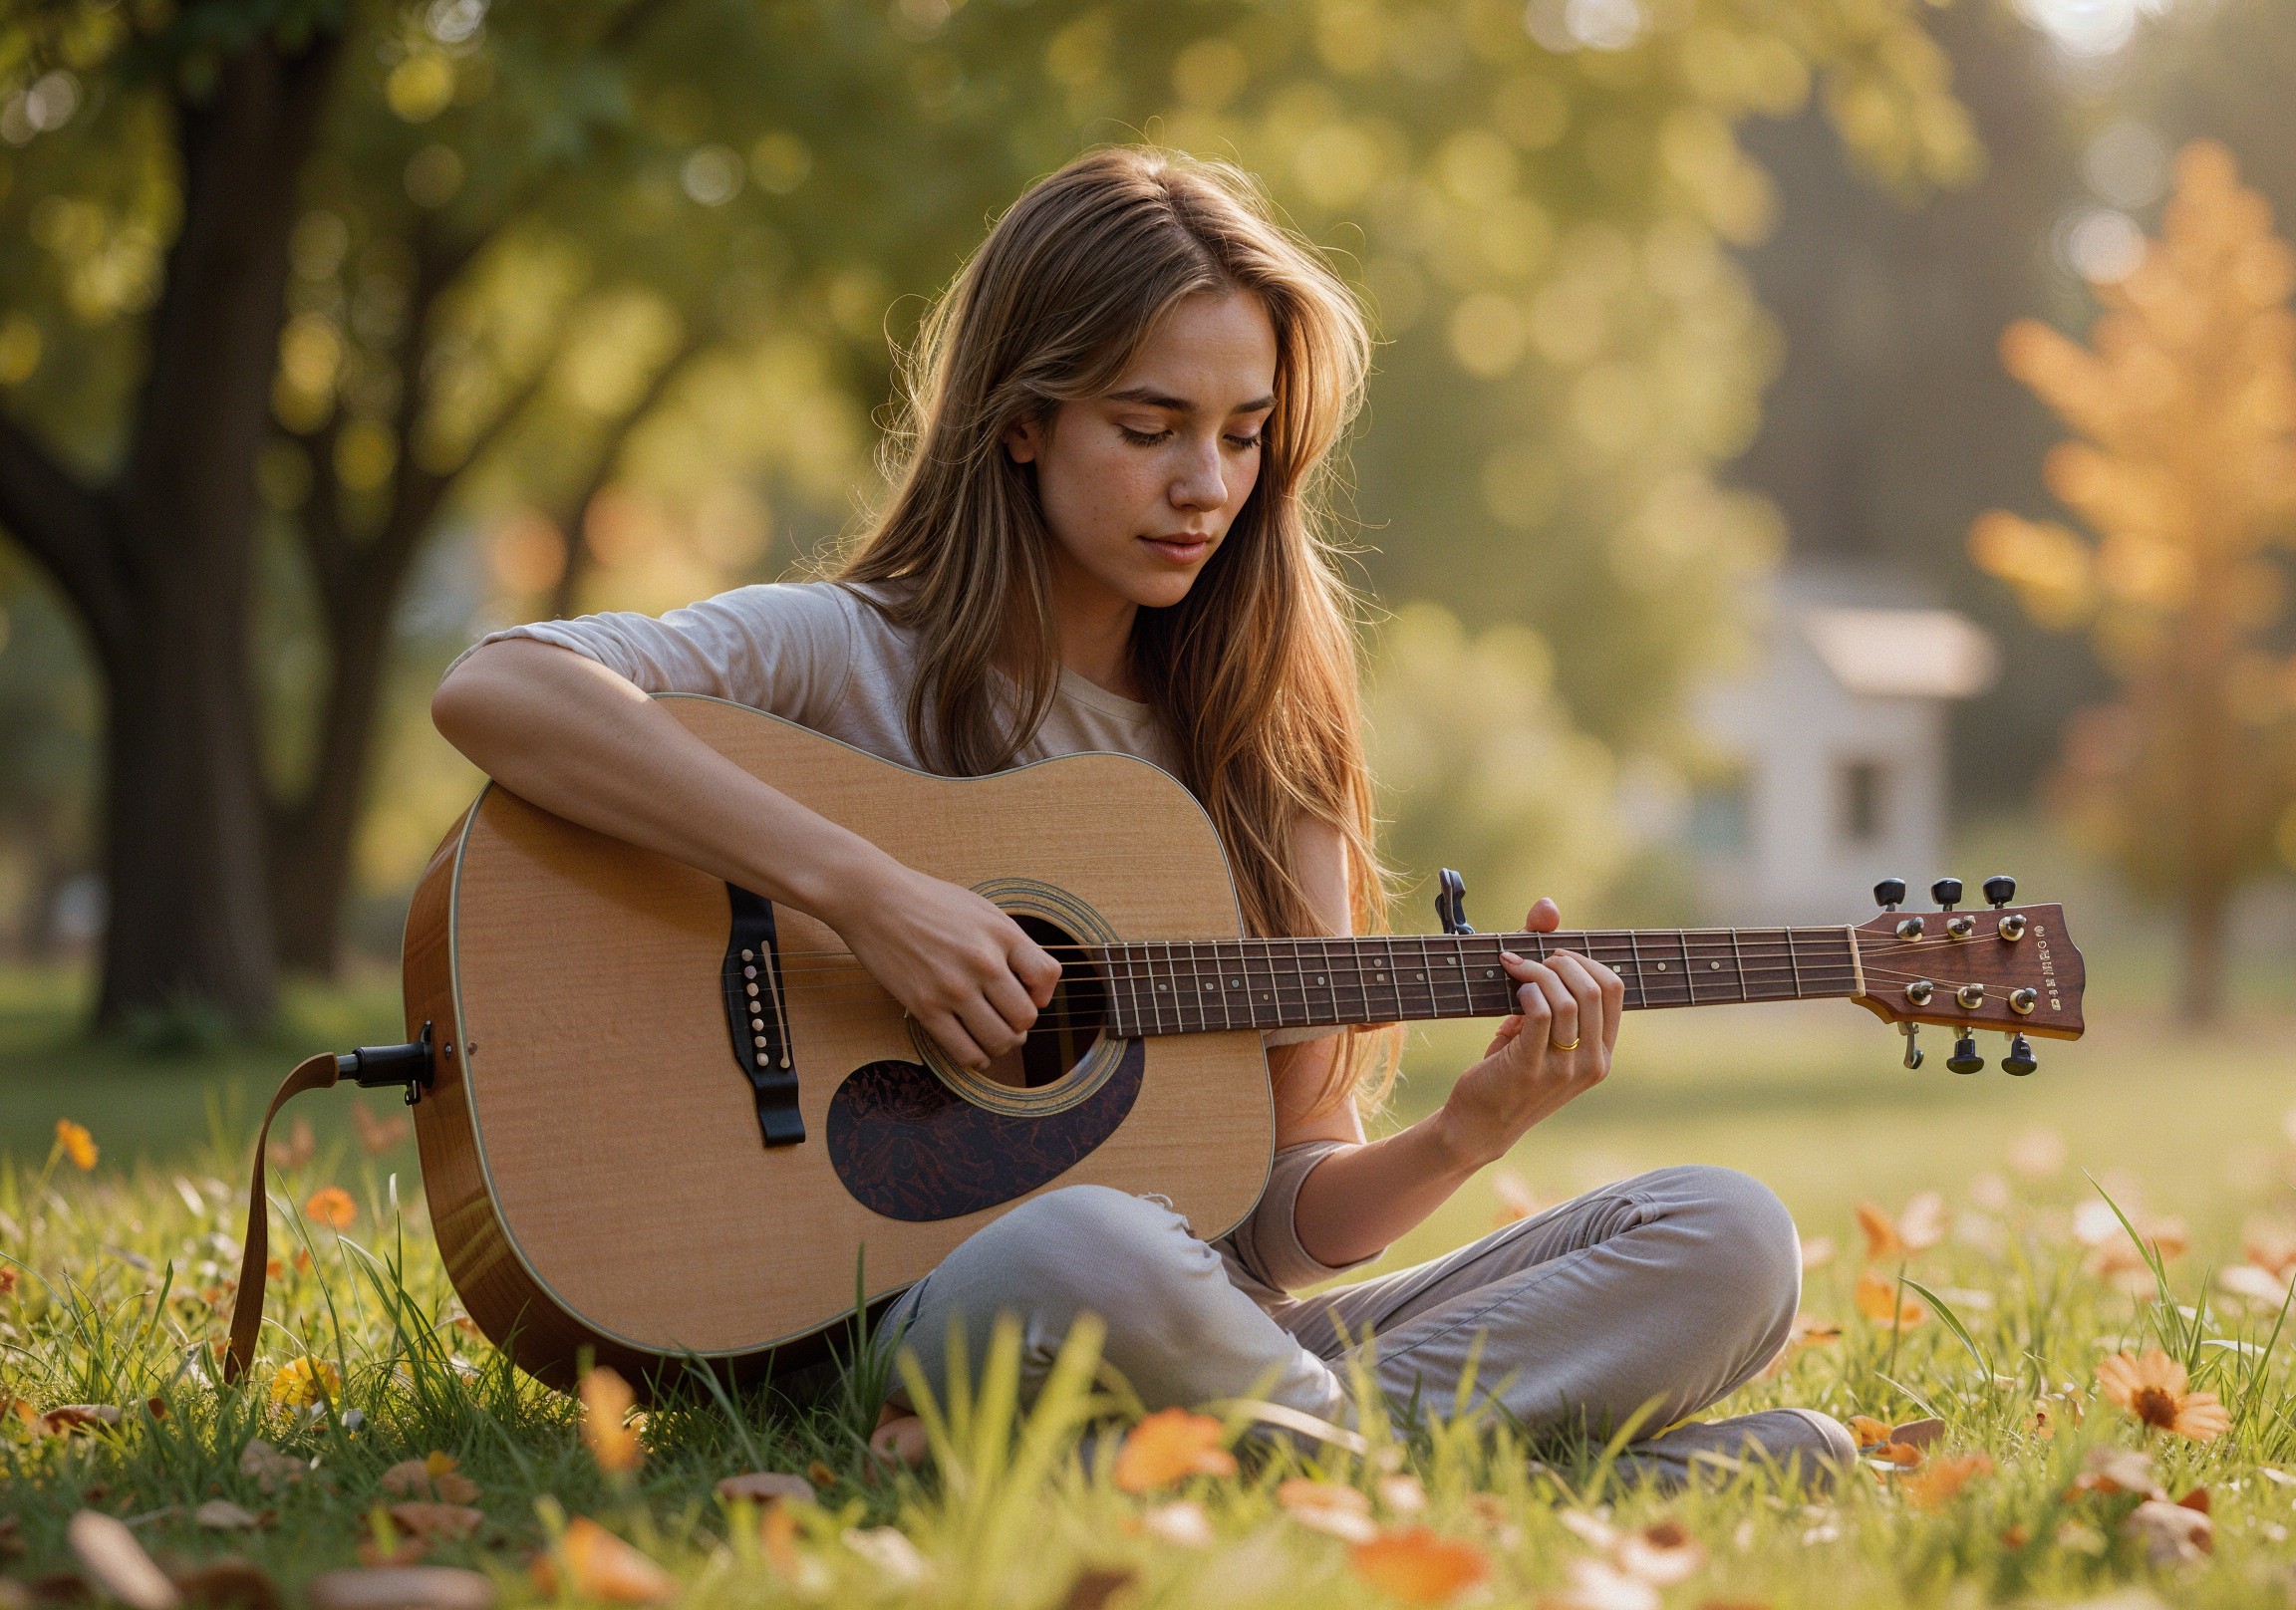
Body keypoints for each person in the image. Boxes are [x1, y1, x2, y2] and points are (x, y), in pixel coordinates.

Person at [430, 147, 1850, 1481]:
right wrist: (871, 893)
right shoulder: (843, 650)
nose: (1206, 487)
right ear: (1024, 422)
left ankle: (1296, 1456)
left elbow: (1284, 1228)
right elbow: (503, 689)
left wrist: (1472, 1132)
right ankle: (1441, 1471)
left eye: (1244, 437)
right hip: (953, 1308)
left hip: (1210, 1327)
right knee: (1087, 1248)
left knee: (1730, 1236)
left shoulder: (1268, 744)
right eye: (1151, 427)